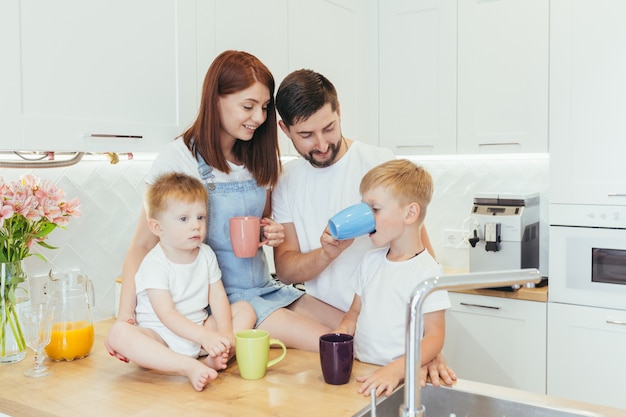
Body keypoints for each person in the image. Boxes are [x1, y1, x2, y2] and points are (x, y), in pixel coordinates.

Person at [105, 51, 339, 357]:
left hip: (264, 287)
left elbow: (261, 222)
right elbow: (141, 246)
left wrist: (270, 232)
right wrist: (126, 317)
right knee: (336, 341)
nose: (259, 118)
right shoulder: (179, 159)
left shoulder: (257, 156)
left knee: (356, 326)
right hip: (225, 304)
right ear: (215, 99)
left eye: (265, 107)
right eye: (248, 106)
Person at [272, 69, 456, 386]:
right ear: (285, 129)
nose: (321, 143)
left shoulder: (377, 163)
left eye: (329, 128)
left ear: (339, 110)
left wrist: (426, 347)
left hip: (395, 337)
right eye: (306, 135)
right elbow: (286, 270)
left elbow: (419, 250)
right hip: (340, 325)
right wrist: (325, 254)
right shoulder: (286, 183)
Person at [106, 172, 256, 391]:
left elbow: (217, 296)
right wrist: (205, 336)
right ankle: (186, 366)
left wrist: (223, 333)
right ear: (158, 228)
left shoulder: (205, 254)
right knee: (119, 333)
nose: (195, 225)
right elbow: (167, 314)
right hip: (162, 338)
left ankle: (215, 355)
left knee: (245, 309)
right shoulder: (154, 264)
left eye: (200, 217)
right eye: (184, 219)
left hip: (199, 331)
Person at [334, 159, 451, 397]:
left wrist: (396, 371)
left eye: (374, 210)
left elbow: (435, 337)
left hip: (403, 376)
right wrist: (340, 339)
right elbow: (354, 313)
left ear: (410, 213)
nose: (366, 218)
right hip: (364, 372)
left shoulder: (428, 272)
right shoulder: (370, 260)